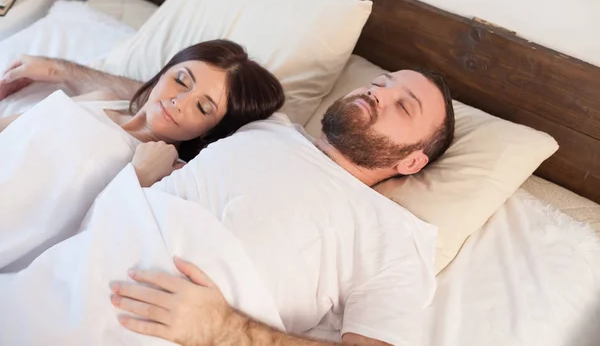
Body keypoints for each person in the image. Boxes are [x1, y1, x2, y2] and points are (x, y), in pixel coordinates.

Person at [1, 58, 455, 345]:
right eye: (382, 81)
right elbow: (174, 96)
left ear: (412, 162)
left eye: (404, 106)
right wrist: (65, 71)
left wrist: (224, 330)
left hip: (162, 324)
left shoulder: (397, 238)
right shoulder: (271, 127)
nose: (379, 92)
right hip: (65, 275)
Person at [0, 39, 285, 185]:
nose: (179, 101)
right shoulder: (104, 99)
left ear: (210, 130)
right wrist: (57, 69)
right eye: (181, 80)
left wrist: (140, 178)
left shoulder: (165, 170)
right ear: (163, 73)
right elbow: (13, 126)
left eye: (202, 107)